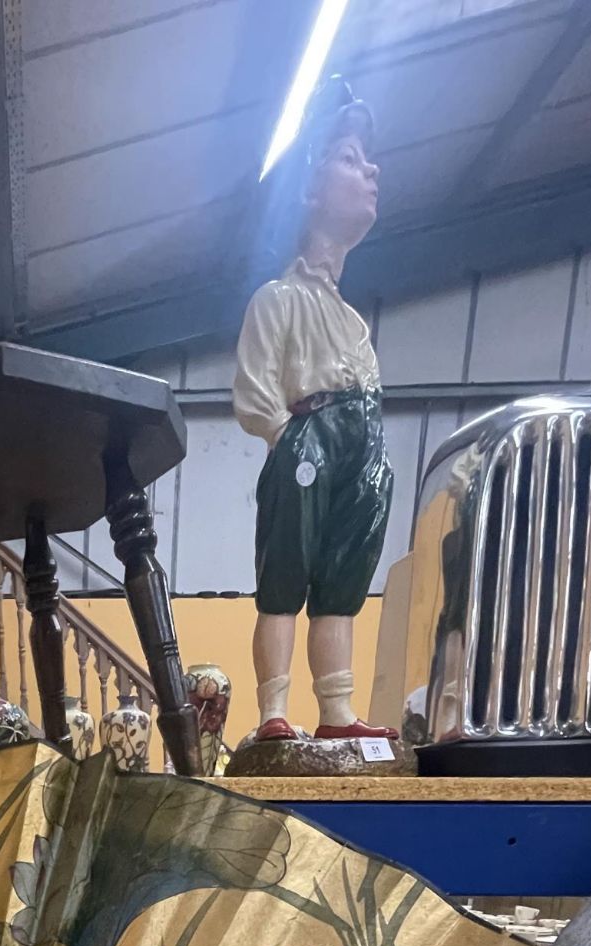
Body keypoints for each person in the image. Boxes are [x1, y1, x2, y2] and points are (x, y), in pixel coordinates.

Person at [234, 78, 397, 743]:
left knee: (344, 579)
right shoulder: (277, 299)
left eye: (367, 159)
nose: (371, 171)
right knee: (285, 576)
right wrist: (290, 441)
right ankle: (274, 710)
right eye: (351, 158)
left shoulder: (353, 322)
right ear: (310, 185)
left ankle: (336, 712)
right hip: (308, 439)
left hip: (362, 448)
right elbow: (253, 394)